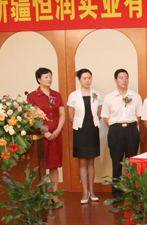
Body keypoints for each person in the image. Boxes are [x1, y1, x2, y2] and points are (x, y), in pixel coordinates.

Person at [100, 69, 142, 198]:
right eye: (121, 78)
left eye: (126, 77)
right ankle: (117, 193)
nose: (124, 80)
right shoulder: (109, 98)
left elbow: (139, 116)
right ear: (115, 80)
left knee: (132, 162)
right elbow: (106, 118)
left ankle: (132, 192)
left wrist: (129, 126)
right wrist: (117, 127)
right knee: (116, 162)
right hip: (115, 131)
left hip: (131, 130)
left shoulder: (135, 96)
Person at [27, 67, 65, 198]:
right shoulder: (32, 96)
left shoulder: (56, 95)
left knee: (54, 166)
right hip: (41, 137)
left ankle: (55, 196)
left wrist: (57, 130)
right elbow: (31, 118)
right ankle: (42, 196)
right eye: (46, 77)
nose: (49, 79)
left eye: (50, 77)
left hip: (56, 135)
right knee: (41, 166)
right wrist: (45, 133)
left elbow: (62, 114)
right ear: (39, 79)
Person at [66, 68, 102, 204]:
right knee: (82, 162)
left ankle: (92, 191)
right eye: (84, 78)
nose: (87, 81)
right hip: (80, 131)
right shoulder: (73, 95)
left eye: (89, 78)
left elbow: (99, 113)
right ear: (79, 80)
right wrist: (79, 124)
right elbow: (70, 116)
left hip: (92, 130)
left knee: (91, 161)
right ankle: (84, 192)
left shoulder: (96, 94)